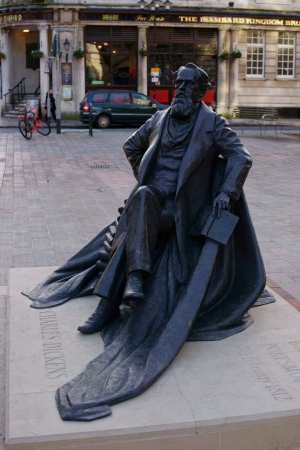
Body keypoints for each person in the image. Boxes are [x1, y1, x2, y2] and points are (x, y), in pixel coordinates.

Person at [23, 63, 268, 421]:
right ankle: (131, 284)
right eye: (178, 84)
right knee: (139, 201)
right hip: (152, 200)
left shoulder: (212, 124)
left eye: (188, 86)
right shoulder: (159, 118)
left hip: (184, 213)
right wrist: (144, 175)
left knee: (136, 213)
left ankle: (110, 303)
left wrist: (225, 193)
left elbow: (241, 157)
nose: (181, 90)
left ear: (201, 91)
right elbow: (130, 146)